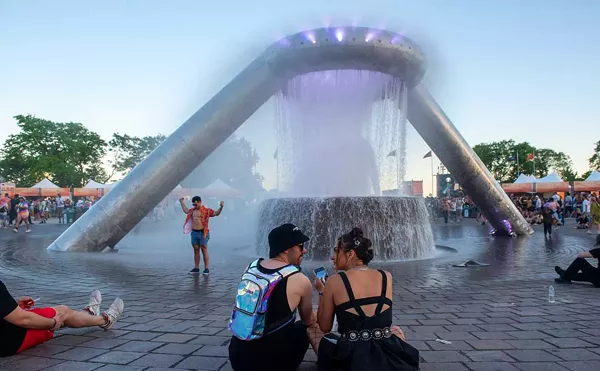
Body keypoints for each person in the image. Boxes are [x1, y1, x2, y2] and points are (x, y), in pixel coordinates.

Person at [308, 227, 419, 371]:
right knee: (396, 330)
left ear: (350, 254)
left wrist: (322, 293)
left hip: (351, 359)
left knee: (312, 330)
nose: (332, 257)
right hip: (387, 352)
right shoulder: (386, 276)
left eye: (336, 251)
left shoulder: (334, 281)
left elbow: (324, 327)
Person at [228, 223, 317, 371]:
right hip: (273, 363)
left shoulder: (251, 267)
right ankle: (328, 361)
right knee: (310, 323)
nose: (305, 250)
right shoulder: (299, 279)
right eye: (301, 246)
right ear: (287, 249)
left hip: (238, 357)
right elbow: (309, 321)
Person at [0, 281, 124, 357]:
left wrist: (12, 304)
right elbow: (22, 319)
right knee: (63, 313)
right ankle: (105, 320)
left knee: (60, 315)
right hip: (10, 338)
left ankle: (87, 315)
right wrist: (52, 323)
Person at [180, 196, 224, 275]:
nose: (194, 206)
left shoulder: (206, 210)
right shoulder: (192, 211)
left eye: (195, 204)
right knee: (196, 250)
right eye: (193, 204)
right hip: (194, 233)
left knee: (204, 249)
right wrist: (181, 203)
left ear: (200, 202)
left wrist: (221, 207)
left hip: (203, 232)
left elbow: (216, 213)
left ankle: (206, 268)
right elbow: (186, 210)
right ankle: (196, 268)